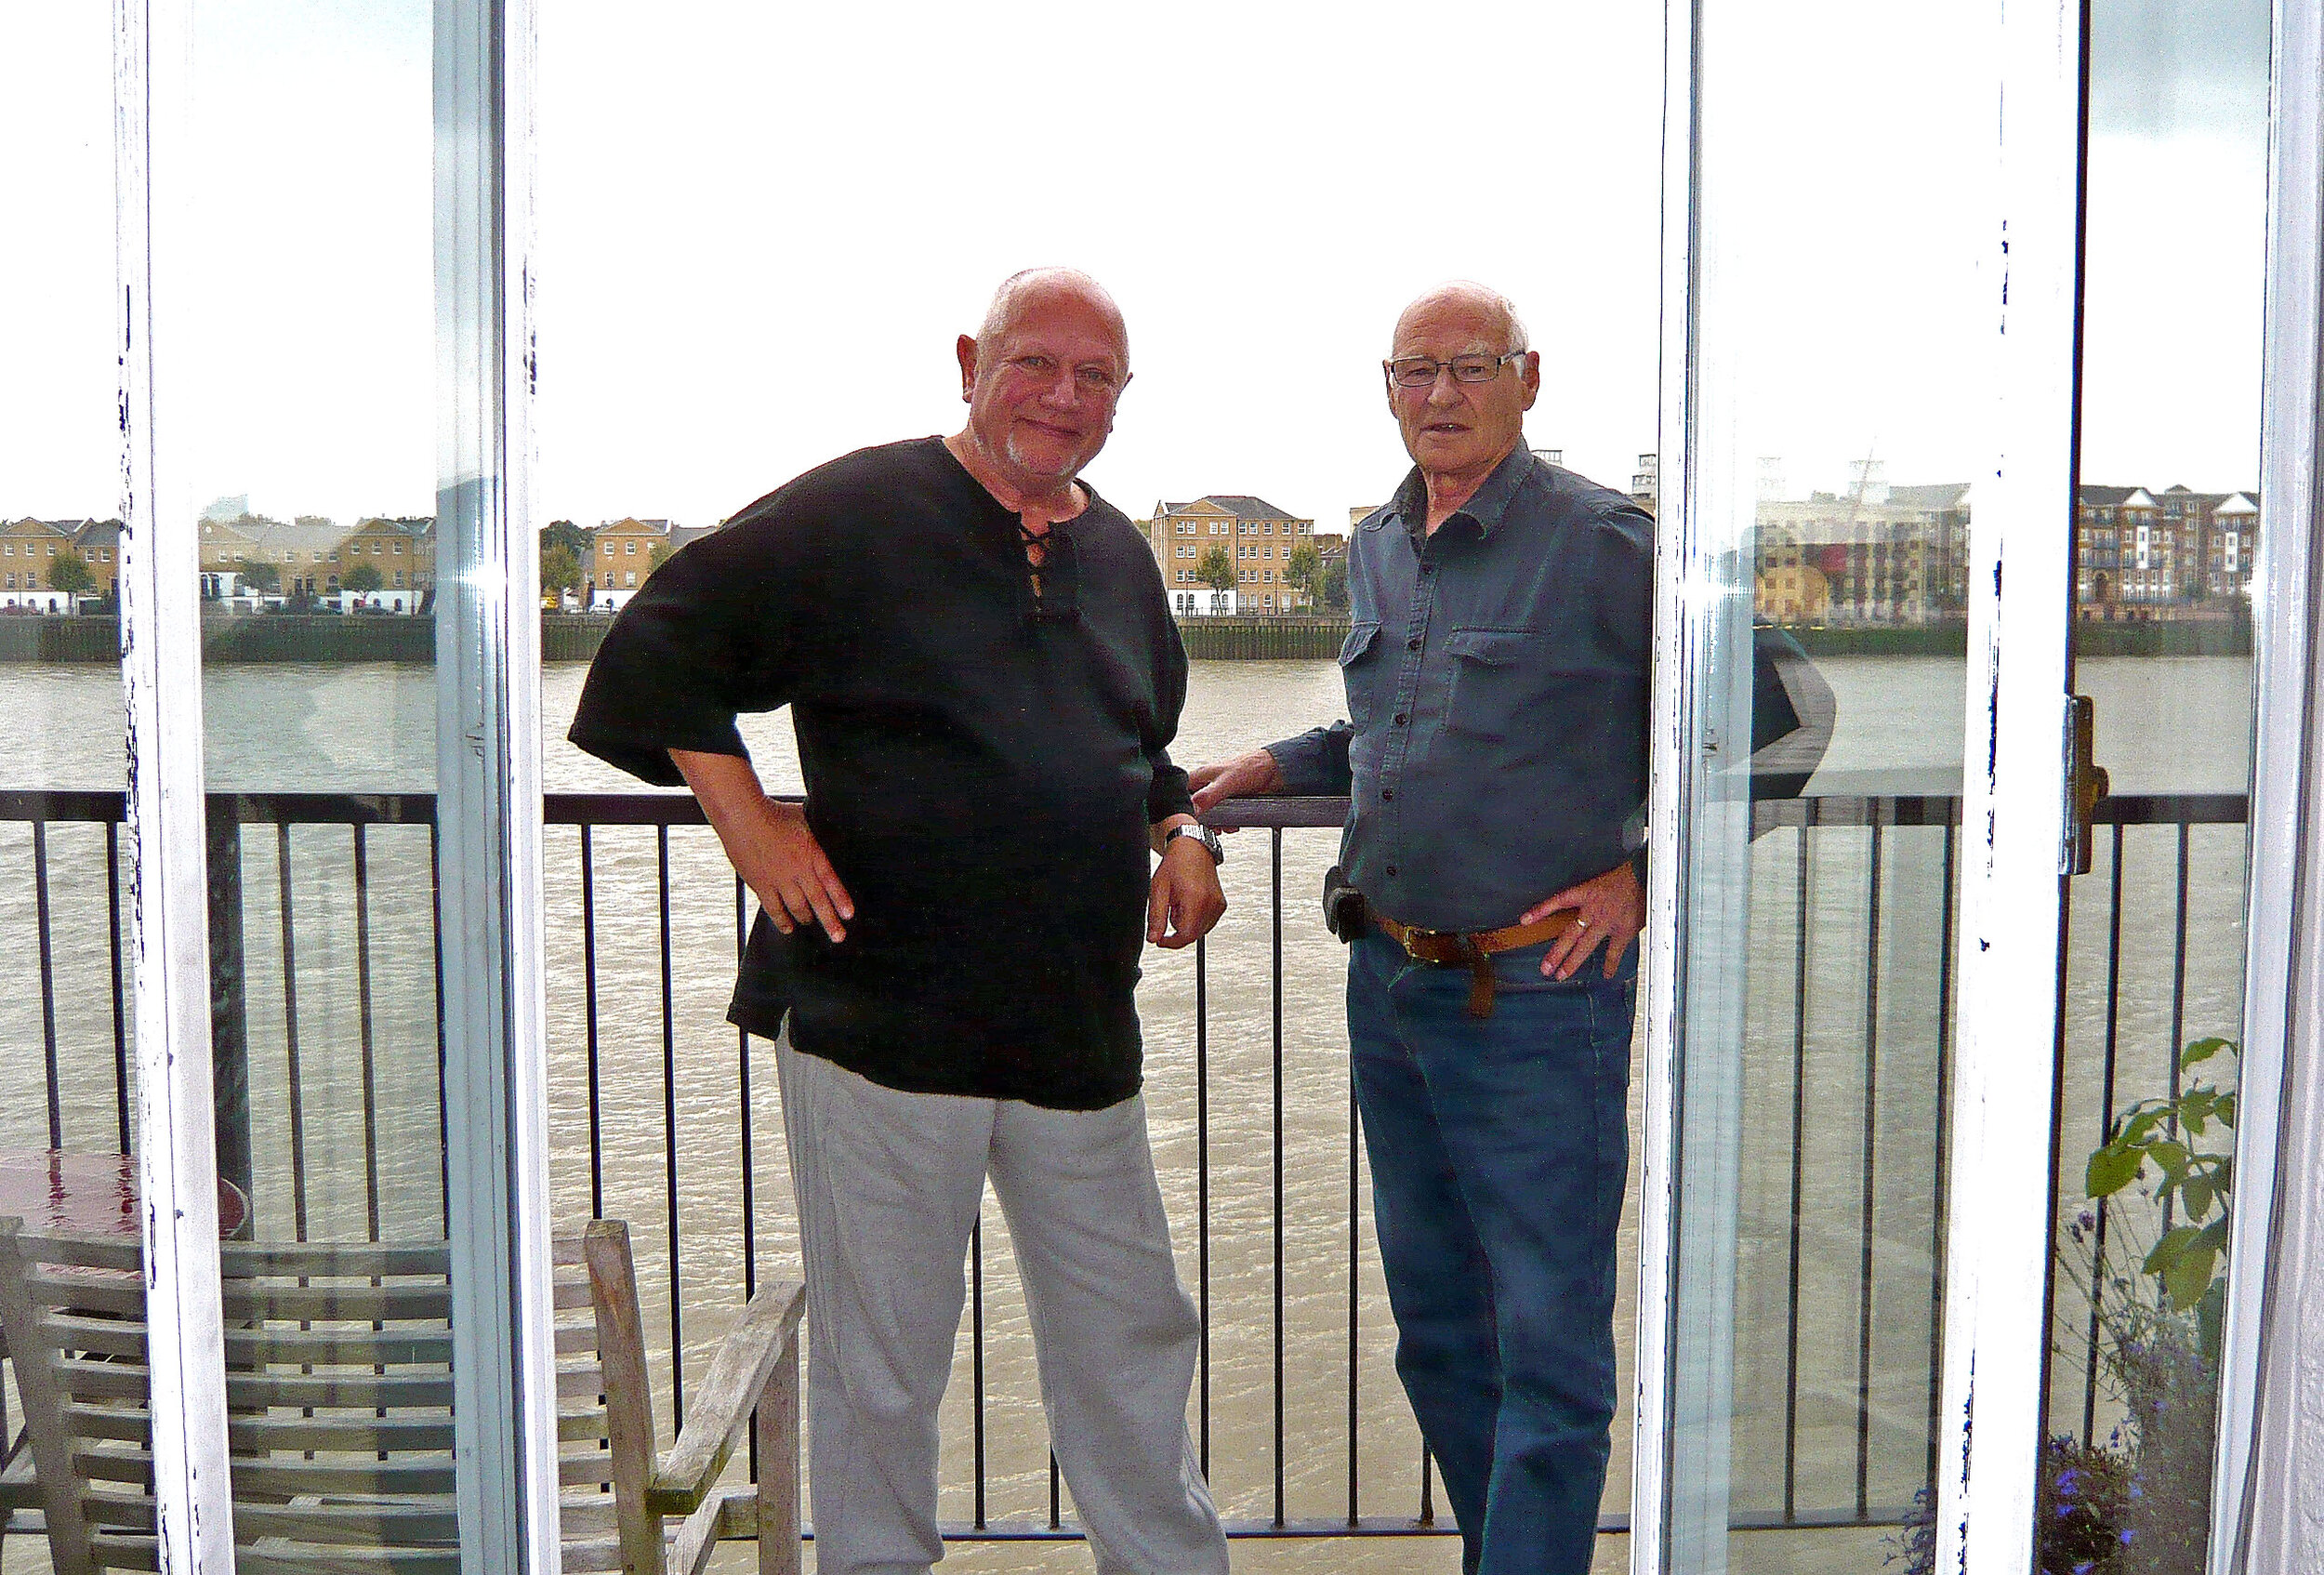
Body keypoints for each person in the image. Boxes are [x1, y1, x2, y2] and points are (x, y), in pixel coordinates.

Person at [569, 268, 1232, 1575]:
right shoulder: (855, 511)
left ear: (1121, 402)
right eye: (1037, 363)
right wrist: (749, 820)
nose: (1064, 395)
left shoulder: (1118, 555)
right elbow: (658, 644)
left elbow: (1135, 747)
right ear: (970, 359)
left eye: (1095, 377)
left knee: (1134, 1336)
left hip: (1075, 1033)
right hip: (881, 1023)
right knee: (884, 1367)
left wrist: (1186, 830)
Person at [1191, 281, 1652, 1575]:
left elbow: (1772, 715)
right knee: (1439, 1331)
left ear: (1529, 377)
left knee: (1550, 1346)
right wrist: (1274, 765)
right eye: (1415, 371)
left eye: (1470, 366)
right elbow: (1387, 733)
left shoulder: (1605, 543)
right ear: (1386, 388)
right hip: (1392, 989)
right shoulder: (1380, 544)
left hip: (1539, 1001)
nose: (1440, 394)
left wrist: (1641, 869)